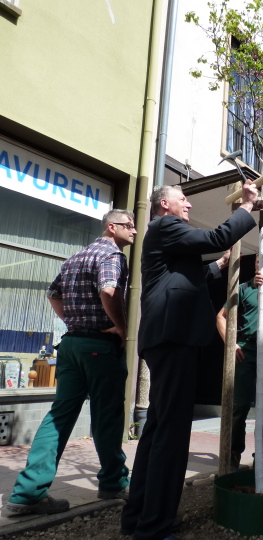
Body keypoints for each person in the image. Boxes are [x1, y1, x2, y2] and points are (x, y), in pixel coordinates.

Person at [121, 181, 258, 540]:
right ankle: (154, 526)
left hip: (166, 338)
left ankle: (139, 518)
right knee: (171, 435)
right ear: (164, 204)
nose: (189, 206)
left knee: (157, 431)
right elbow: (214, 238)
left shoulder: (166, 240)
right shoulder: (165, 225)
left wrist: (222, 264)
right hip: (173, 338)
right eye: (184, 200)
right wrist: (247, 205)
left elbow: (188, 276)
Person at [3, 210, 136, 517]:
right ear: (111, 227)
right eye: (128, 226)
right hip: (99, 347)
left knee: (59, 416)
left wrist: (73, 322)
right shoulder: (112, 255)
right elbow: (108, 290)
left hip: (72, 344)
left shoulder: (75, 257)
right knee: (108, 416)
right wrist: (122, 327)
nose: (134, 231)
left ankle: (27, 493)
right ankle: (114, 483)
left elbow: (52, 294)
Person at [216, 251, 263, 471]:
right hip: (246, 351)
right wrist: (231, 343)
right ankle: (233, 452)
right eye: (258, 262)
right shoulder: (243, 289)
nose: (261, 265)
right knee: (239, 405)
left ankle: (262, 454)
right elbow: (220, 317)